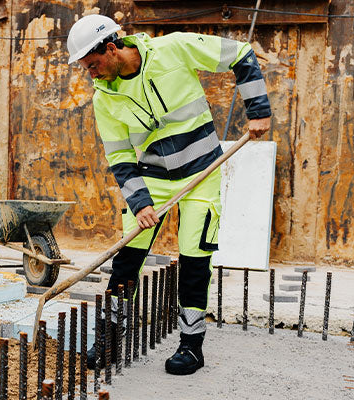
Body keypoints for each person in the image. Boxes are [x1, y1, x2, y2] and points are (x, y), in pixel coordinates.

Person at [66, 14, 271, 375]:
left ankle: (191, 346)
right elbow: (120, 157)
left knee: (195, 262)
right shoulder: (105, 99)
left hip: (202, 173)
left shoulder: (173, 48)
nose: (92, 74)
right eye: (87, 69)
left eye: (94, 65)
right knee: (127, 261)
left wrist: (258, 112)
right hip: (152, 180)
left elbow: (241, 54)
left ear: (111, 48)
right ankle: (112, 336)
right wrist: (141, 202)